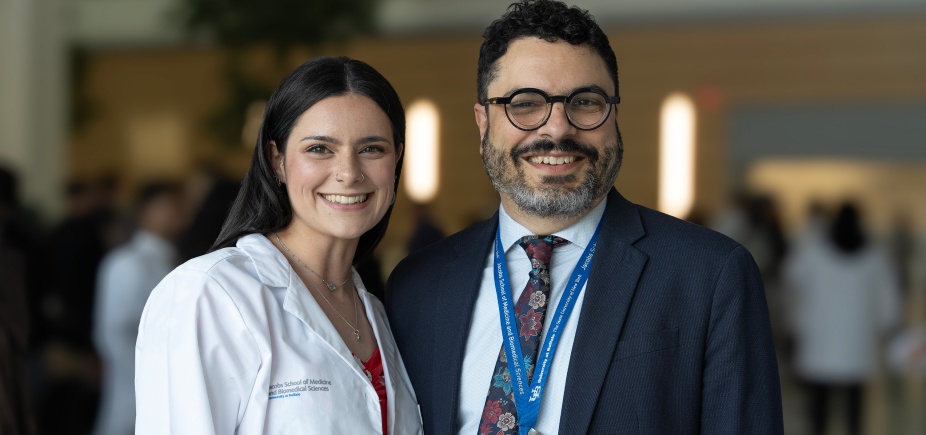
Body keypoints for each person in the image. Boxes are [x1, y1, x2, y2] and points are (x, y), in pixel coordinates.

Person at [385, 1, 783, 434]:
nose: (557, 129)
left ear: (615, 115)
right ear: (483, 123)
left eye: (585, 102)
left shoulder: (709, 276)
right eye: (526, 103)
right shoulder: (418, 285)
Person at [135, 56, 421, 434]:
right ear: (278, 161)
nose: (349, 173)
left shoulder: (379, 315)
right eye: (320, 148)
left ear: (396, 160)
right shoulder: (209, 295)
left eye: (372, 149)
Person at [783, 202, 900, 435]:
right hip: (857, 340)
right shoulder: (875, 257)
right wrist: (885, 327)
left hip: (820, 338)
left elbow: (791, 277)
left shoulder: (813, 251)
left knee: (819, 404)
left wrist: (796, 322)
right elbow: (889, 302)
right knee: (854, 405)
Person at [93, 182, 188, 435]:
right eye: (169, 206)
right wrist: (145, 383)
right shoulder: (126, 263)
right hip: (136, 387)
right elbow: (113, 333)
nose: (179, 213)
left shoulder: (177, 261)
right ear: (144, 212)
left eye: (182, 205)